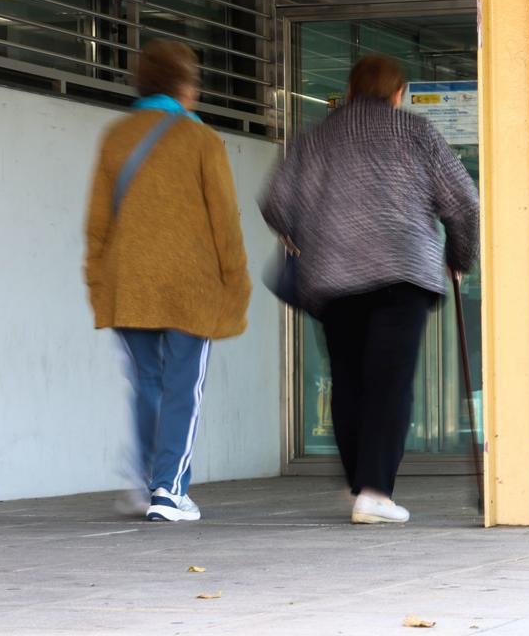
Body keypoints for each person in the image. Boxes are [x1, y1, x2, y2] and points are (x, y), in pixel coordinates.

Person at [261, 54, 479, 524]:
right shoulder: (418, 134)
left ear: (352, 90)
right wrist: (458, 258)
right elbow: (464, 203)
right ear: (398, 93)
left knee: (351, 380)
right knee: (390, 381)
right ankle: (376, 491)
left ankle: (361, 485)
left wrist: (305, 234)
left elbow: (277, 201)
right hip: (402, 273)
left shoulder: (317, 137)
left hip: (334, 278)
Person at [84, 40, 251, 522]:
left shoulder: (116, 137)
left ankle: (150, 481)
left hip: (128, 283)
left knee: (147, 383)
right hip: (191, 286)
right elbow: (225, 222)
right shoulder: (202, 141)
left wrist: (99, 282)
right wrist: (234, 284)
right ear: (185, 88)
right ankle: (169, 490)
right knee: (184, 385)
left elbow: (98, 223)